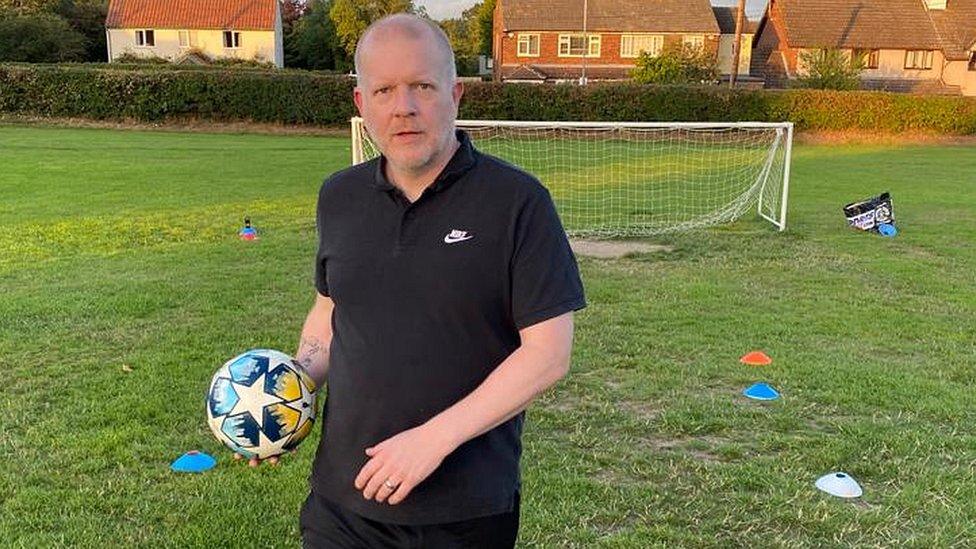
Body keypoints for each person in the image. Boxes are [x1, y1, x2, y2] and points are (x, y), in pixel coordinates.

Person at [289, 13, 585, 548]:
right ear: (362, 104)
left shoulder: (517, 202)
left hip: (463, 510)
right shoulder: (339, 196)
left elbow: (547, 354)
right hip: (341, 501)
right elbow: (329, 311)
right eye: (384, 90)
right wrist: (290, 387)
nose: (403, 107)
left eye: (421, 86)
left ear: (456, 93)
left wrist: (432, 440)